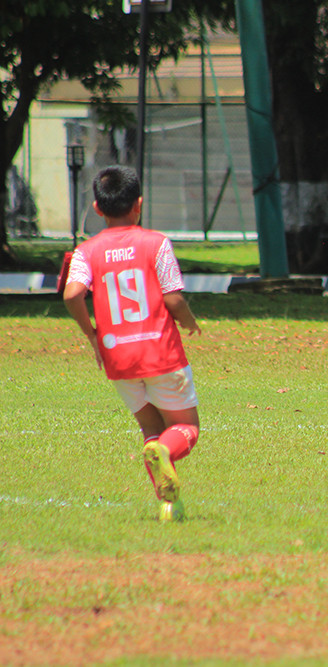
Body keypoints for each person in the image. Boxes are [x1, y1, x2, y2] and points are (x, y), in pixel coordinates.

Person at [63, 165, 201, 522]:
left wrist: (92, 335)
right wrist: (189, 321)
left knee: (151, 431)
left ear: (97, 208)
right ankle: (165, 453)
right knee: (186, 428)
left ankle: (169, 506)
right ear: (139, 204)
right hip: (160, 354)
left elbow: (72, 294)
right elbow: (173, 299)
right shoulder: (156, 243)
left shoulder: (87, 251)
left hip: (118, 358)